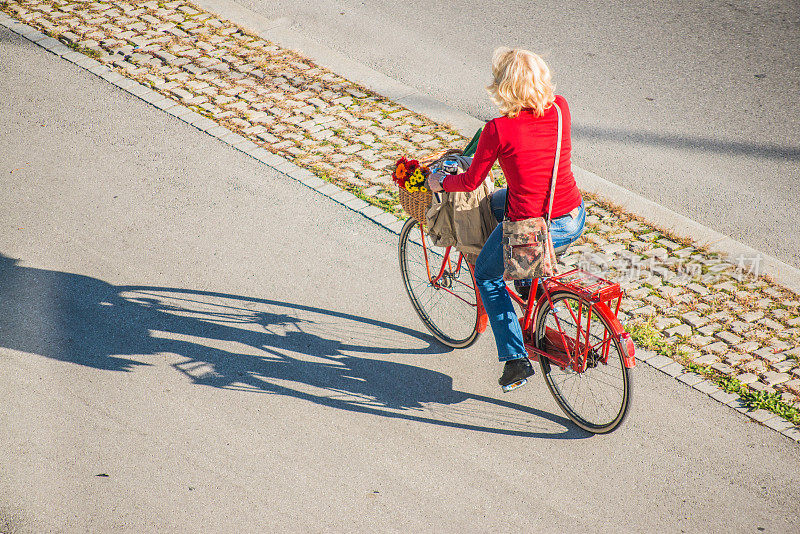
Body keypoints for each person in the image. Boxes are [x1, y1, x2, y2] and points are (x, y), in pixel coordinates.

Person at [427, 47, 585, 392]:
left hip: (531, 228)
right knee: (497, 204)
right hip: (571, 214)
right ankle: (527, 280)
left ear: (503, 87)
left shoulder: (498, 129)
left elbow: (470, 182)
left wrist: (441, 182)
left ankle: (515, 360)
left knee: (487, 276)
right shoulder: (560, 107)